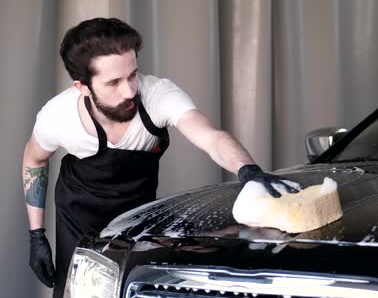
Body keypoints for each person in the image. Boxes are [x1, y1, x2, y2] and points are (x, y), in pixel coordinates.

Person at [22, 17, 301, 297]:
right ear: (82, 87)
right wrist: (37, 235)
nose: (130, 90)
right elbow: (34, 160)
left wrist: (247, 169)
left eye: (132, 75)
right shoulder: (57, 117)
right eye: (114, 82)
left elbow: (210, 136)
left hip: (138, 213)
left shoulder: (158, 95)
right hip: (78, 218)